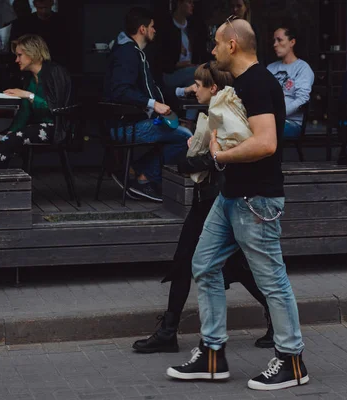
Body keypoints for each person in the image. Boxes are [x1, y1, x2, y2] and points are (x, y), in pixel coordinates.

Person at [166, 18, 309, 391]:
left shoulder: (260, 84)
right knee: (205, 264)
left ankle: (292, 361)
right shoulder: (244, 84)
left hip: (256, 199)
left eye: (215, 44)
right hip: (233, 196)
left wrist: (218, 155)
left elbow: (266, 143)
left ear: (232, 45)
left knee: (271, 279)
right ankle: (213, 355)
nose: (211, 51)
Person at [132, 62, 274, 354]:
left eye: (199, 84)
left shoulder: (227, 119)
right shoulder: (207, 116)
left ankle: (172, 332)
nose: (193, 88)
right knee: (195, 261)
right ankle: (169, 331)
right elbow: (193, 161)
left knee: (217, 263)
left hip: (219, 200)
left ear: (214, 89)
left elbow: (219, 159)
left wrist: (198, 160)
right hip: (206, 199)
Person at [103, 7, 192, 202]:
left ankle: (134, 170)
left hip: (132, 123)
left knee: (179, 131)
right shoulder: (126, 54)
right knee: (186, 137)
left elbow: (154, 89)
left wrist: (183, 91)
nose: (155, 30)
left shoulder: (135, 52)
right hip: (124, 126)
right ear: (142, 29)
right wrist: (153, 104)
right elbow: (120, 91)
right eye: (152, 26)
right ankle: (144, 180)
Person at [0, 34, 71, 169]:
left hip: (55, 127)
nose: (16, 60)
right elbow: (24, 112)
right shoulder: (30, 79)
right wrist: (12, 130)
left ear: (32, 54)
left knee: (9, 140)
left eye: (19, 55)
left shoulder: (55, 72)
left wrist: (28, 95)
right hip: (35, 126)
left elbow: (56, 108)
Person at [153, 0, 208, 125]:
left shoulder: (193, 27)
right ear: (179, 3)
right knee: (200, 72)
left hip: (190, 73)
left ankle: (188, 122)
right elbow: (160, 62)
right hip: (171, 74)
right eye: (189, 2)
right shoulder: (166, 28)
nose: (192, 5)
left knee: (197, 82)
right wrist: (181, 65)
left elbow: (201, 52)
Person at [267, 25, 314, 138]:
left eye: (279, 40)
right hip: (267, 119)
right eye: (274, 41)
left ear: (292, 42)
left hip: (291, 123)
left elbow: (302, 99)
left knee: (263, 132)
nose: (275, 44)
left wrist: (278, 114)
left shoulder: (302, 68)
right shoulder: (271, 68)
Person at [9, 0, 67, 67]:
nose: (43, 10)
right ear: (34, 4)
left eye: (46, 7)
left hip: (55, 64)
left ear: (52, 3)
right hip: (30, 64)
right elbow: (15, 45)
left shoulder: (62, 22)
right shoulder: (23, 23)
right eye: (40, 7)